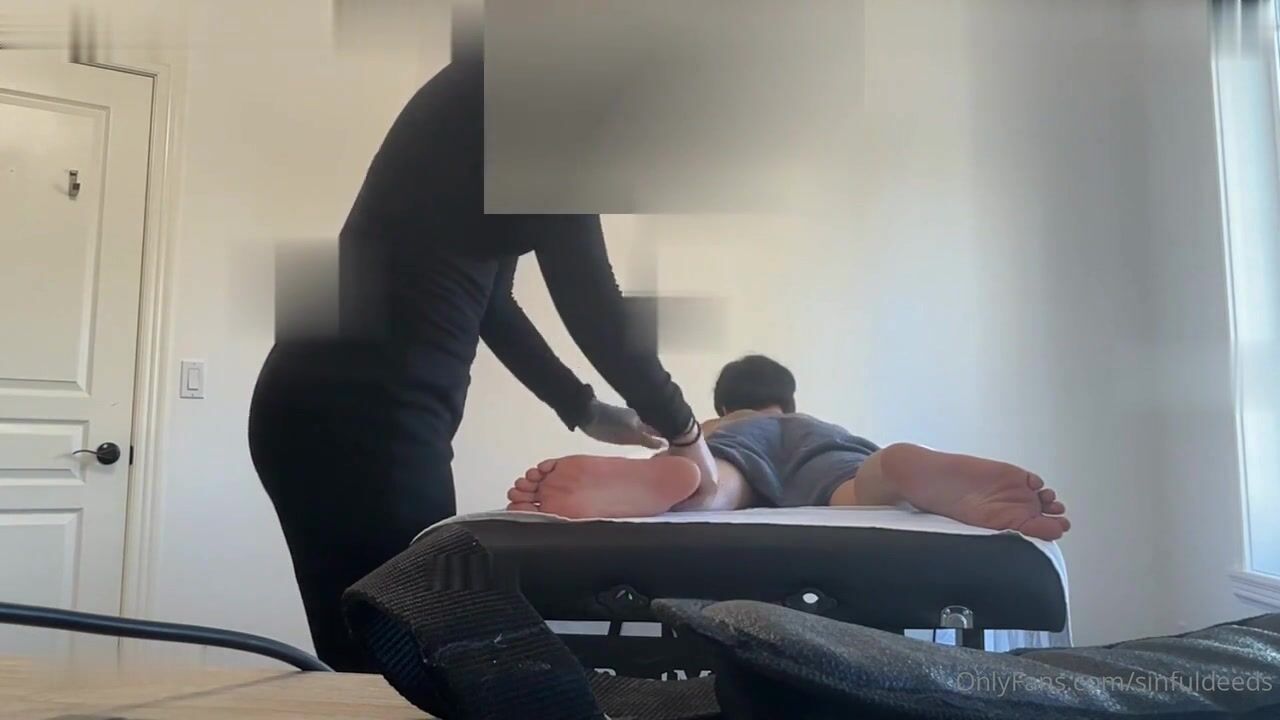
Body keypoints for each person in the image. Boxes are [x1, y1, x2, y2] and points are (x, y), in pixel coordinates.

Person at [247, 26, 715, 671]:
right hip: (366, 417)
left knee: (377, 657)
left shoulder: (479, 93)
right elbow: (594, 303)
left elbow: (495, 303)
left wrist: (581, 406)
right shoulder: (537, 101)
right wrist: (686, 434)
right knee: (405, 663)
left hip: (320, 401)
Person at [505, 355, 1071, 541]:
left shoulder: (724, 422)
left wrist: (689, 447)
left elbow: (710, 438)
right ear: (788, 401)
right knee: (855, 486)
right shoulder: (809, 423)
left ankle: (691, 485)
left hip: (727, 445)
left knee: (721, 482)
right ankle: (897, 471)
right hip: (830, 449)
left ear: (724, 403)